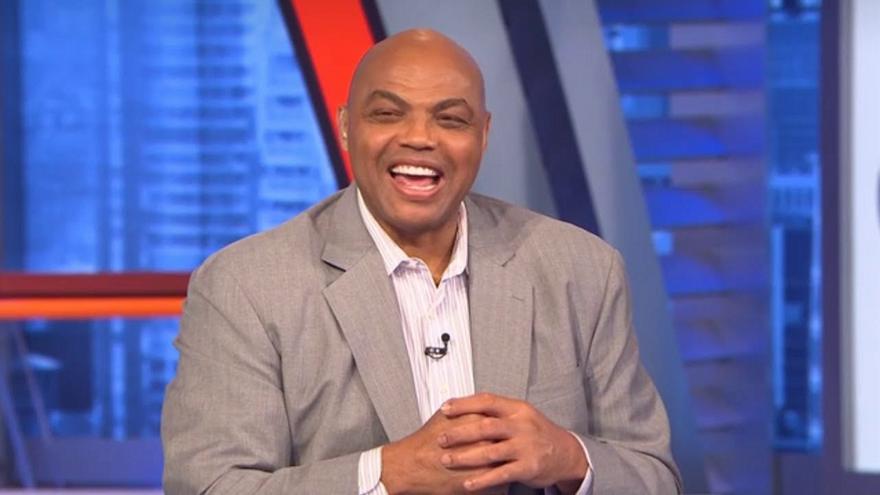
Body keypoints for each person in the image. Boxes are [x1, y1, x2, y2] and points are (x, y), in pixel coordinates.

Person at [161, 28, 681, 494]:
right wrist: (387, 474)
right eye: (387, 114)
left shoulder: (581, 269)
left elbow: (654, 476)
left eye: (450, 119)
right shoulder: (246, 287)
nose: (419, 138)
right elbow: (210, 486)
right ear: (345, 127)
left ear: (483, 135)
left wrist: (567, 457)